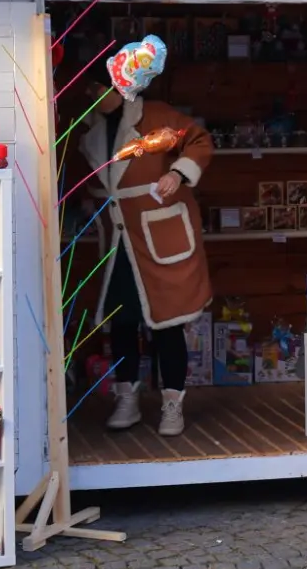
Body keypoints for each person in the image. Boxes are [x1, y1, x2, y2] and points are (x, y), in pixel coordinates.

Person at [78, 74, 213, 437]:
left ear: (120, 88)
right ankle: (127, 398)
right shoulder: (87, 128)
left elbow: (199, 140)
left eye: (100, 88)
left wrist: (178, 173)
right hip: (118, 241)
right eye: (91, 89)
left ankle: (173, 404)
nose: (93, 94)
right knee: (122, 323)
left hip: (159, 233)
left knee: (168, 323)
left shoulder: (155, 115)